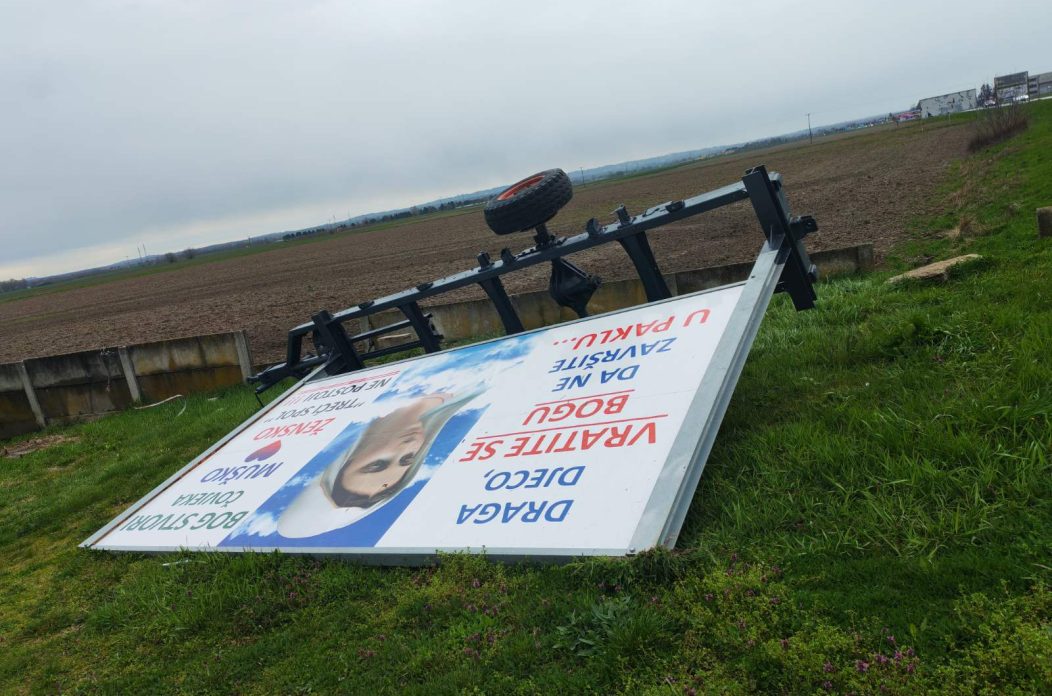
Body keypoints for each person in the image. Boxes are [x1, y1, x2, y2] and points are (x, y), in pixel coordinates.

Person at [277, 390, 480, 539]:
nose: (406, 447)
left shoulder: (396, 391)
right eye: (407, 459)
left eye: (377, 465)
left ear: (349, 457)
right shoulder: (469, 401)